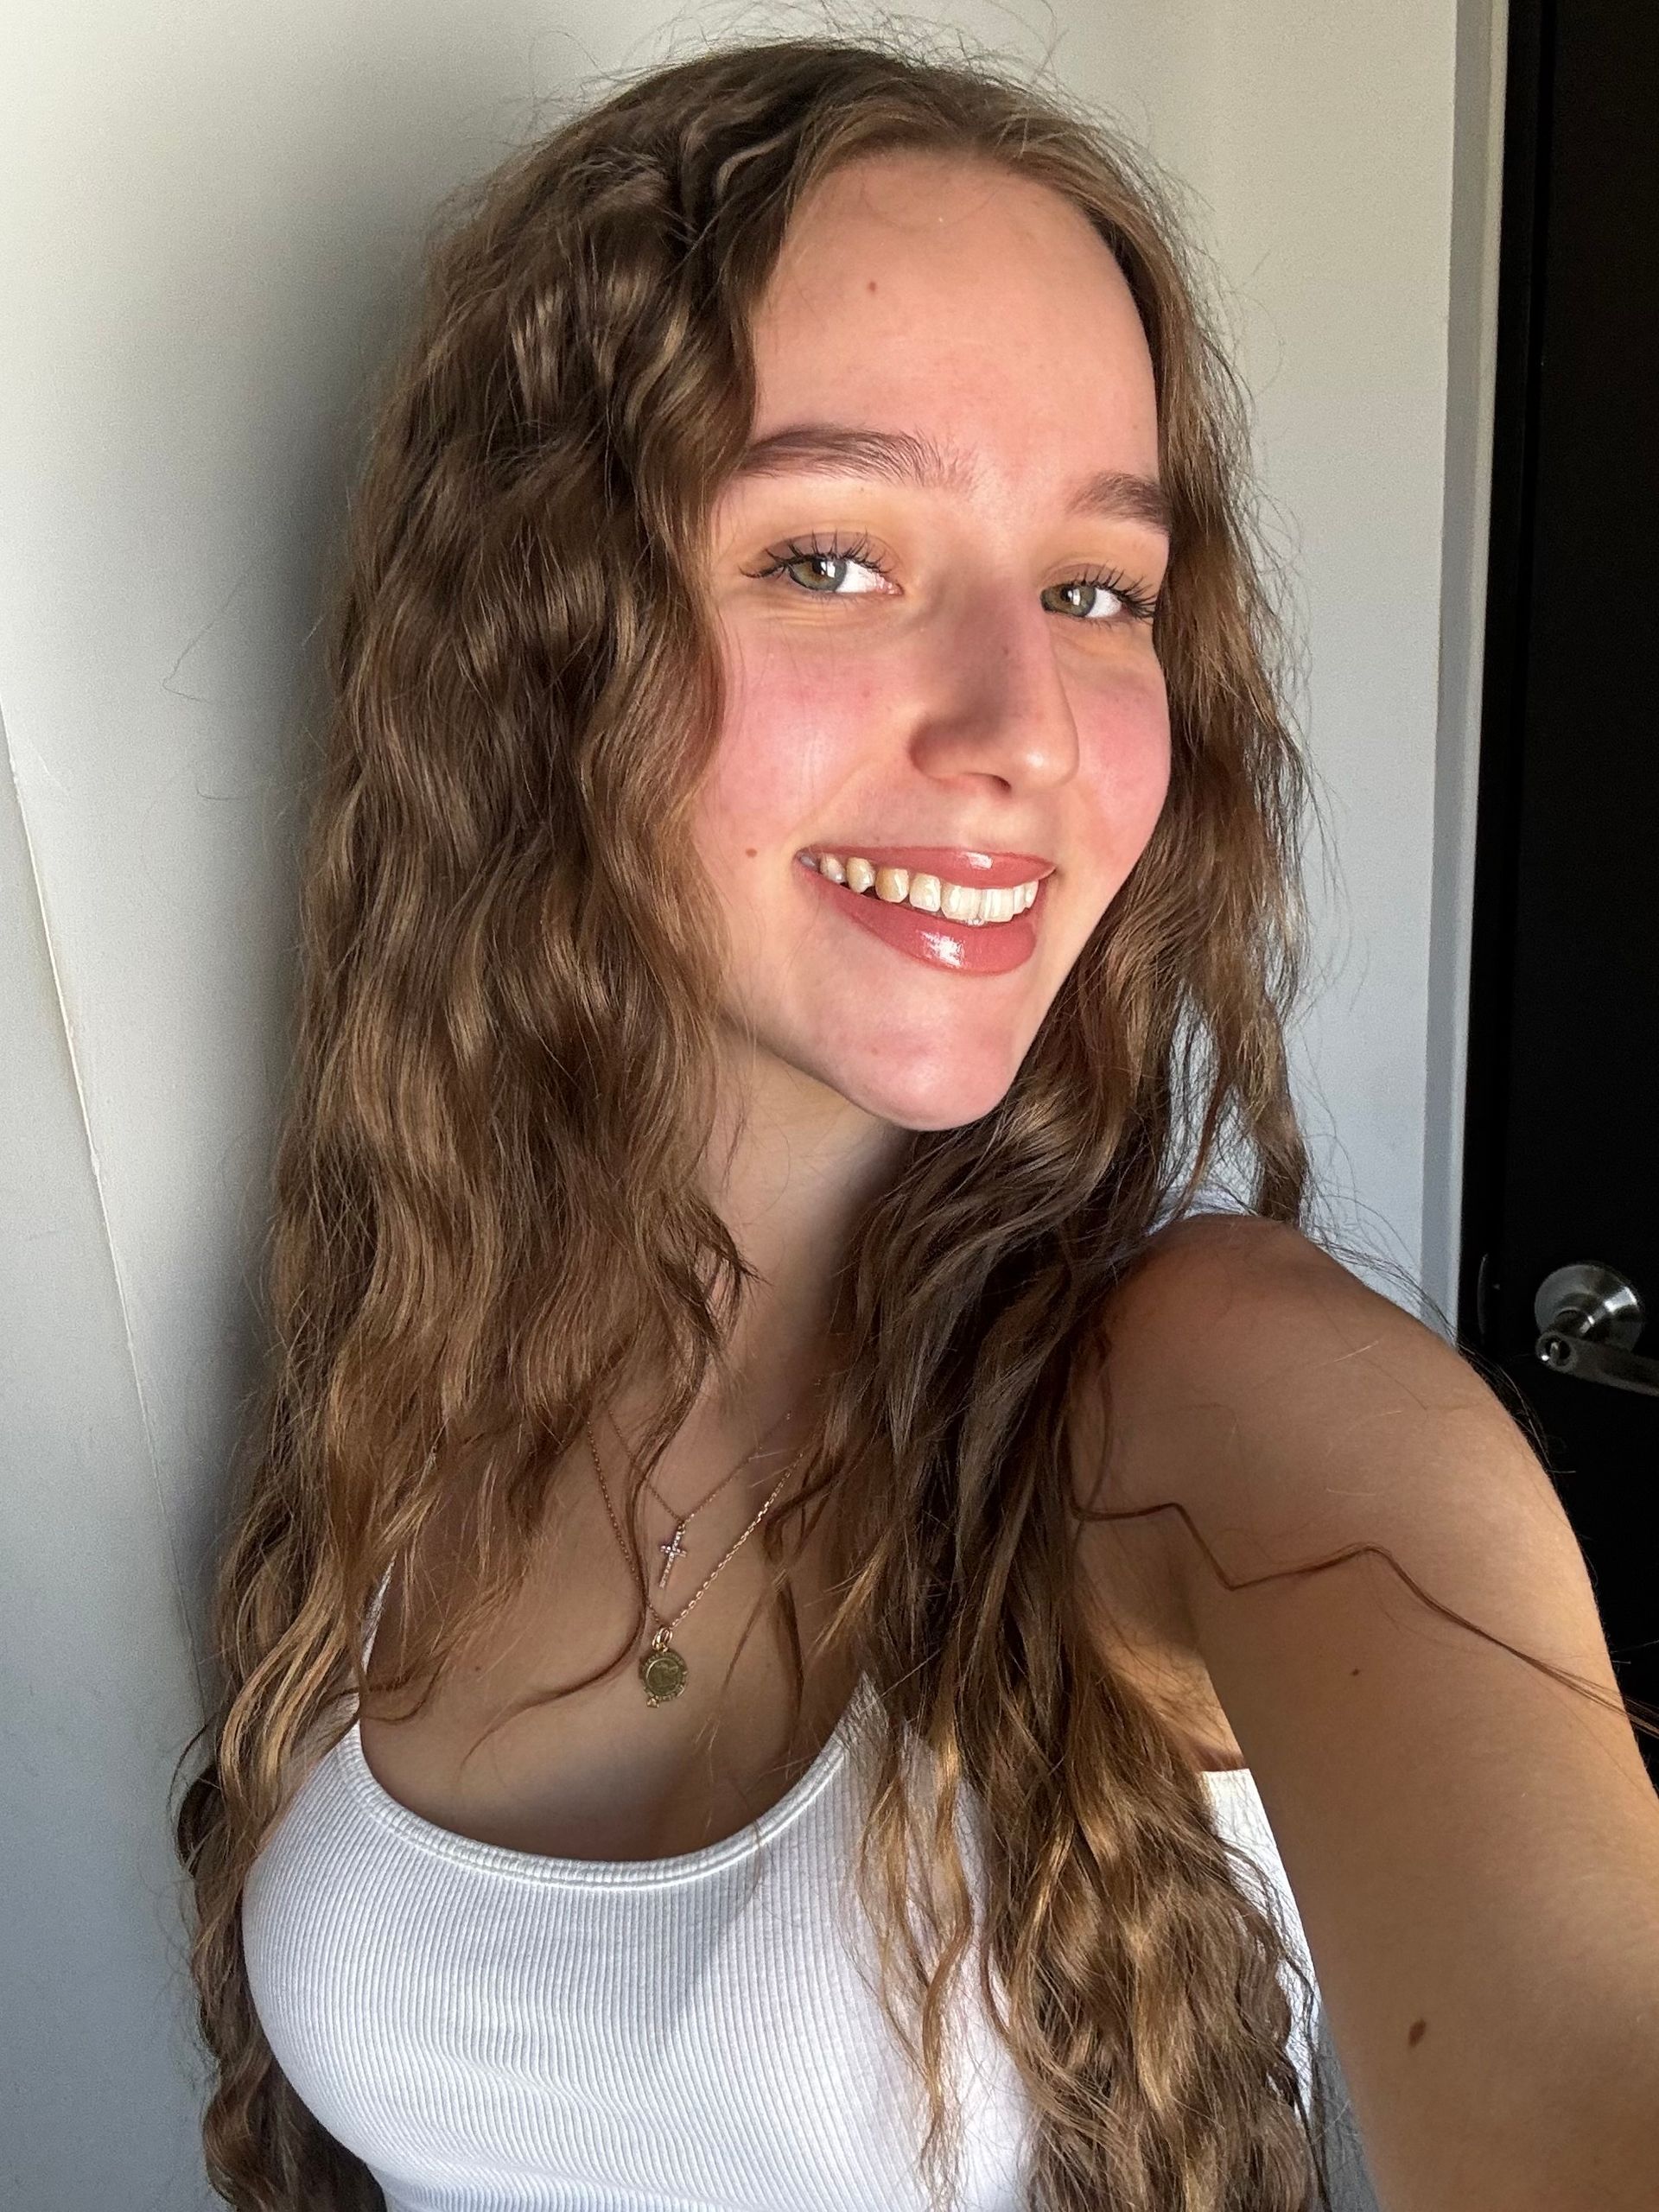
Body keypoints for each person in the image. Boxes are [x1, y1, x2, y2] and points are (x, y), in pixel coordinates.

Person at [174, 31, 1659, 2212]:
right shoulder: (409, 1319)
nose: (1025, 729)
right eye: (831, 558)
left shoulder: (1215, 1408)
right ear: (532, 645)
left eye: (1097, 590)